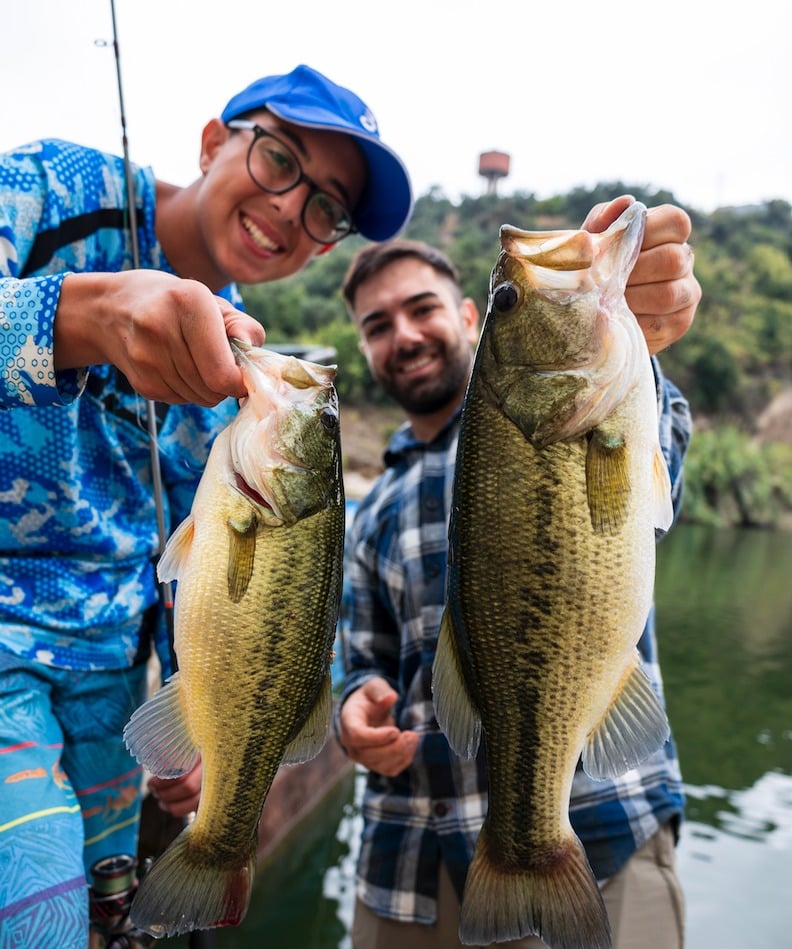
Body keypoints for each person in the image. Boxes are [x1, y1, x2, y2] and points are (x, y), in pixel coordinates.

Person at [0, 63, 412, 948]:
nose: (290, 210)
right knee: (39, 922)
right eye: (280, 159)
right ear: (212, 141)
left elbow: (214, 570)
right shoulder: (53, 188)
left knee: (101, 926)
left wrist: (194, 718)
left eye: (327, 209)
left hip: (112, 698)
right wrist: (89, 313)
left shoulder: (241, 374)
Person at [336, 200, 700, 949]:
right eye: (378, 326)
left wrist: (640, 328)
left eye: (421, 309)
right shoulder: (368, 510)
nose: (402, 336)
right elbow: (361, 653)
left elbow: (660, 443)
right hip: (406, 869)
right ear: (368, 349)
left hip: (602, 838)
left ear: (471, 317)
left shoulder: (603, 406)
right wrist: (354, 703)